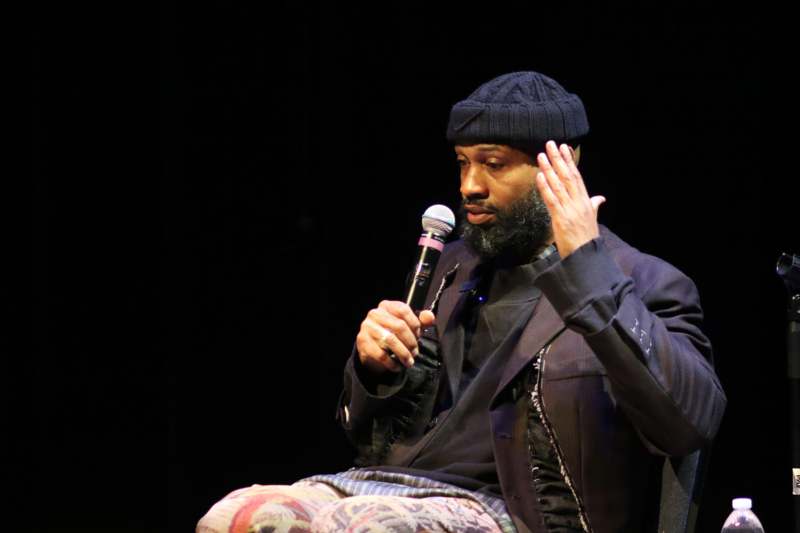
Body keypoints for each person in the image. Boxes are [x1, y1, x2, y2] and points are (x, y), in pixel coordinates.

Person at [197, 71, 726, 533]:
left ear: (560, 166)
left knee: (360, 526)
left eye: (493, 164)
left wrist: (590, 273)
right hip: (392, 484)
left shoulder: (641, 281)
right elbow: (365, 431)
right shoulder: (450, 267)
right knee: (236, 516)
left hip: (515, 512)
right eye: (462, 163)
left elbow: (689, 422)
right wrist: (374, 369)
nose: (470, 185)